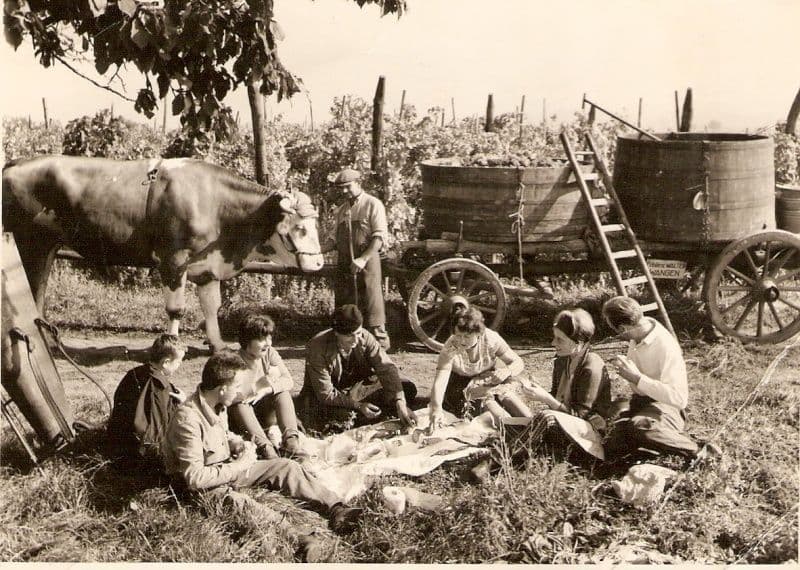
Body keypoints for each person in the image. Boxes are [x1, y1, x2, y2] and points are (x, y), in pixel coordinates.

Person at [163, 350, 362, 534]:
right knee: (241, 503)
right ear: (222, 389)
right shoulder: (187, 419)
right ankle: (300, 538)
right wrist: (239, 466)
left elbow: (222, 433)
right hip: (200, 489)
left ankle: (337, 508)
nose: (240, 392)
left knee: (286, 466)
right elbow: (195, 478)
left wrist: (237, 443)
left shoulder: (216, 403)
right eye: (238, 387)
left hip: (225, 469)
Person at [600, 296, 717, 464]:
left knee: (638, 427)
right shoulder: (638, 333)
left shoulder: (664, 345)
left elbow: (679, 399)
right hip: (642, 402)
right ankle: (652, 445)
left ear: (623, 328)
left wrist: (637, 378)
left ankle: (698, 450)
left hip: (667, 407)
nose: (617, 336)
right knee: (611, 433)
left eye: (616, 332)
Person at [297, 304, 418, 432]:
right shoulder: (317, 347)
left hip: (357, 389)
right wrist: (358, 406)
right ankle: (369, 413)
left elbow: (386, 369)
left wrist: (399, 400)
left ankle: (386, 409)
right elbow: (325, 393)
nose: (356, 340)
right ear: (337, 333)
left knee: (406, 387)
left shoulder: (365, 337)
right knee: (343, 418)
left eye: (358, 333)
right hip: (331, 398)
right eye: (350, 336)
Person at [519, 308, 612, 460]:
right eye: (554, 338)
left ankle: (497, 460)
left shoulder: (592, 366)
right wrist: (540, 392)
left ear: (579, 341)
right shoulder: (563, 360)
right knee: (508, 423)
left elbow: (581, 416)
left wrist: (545, 398)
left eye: (560, 339)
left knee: (545, 418)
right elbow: (559, 402)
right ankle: (525, 453)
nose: (553, 343)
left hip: (590, 433)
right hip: (566, 424)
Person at [322, 168, 391, 350]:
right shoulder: (342, 210)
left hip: (367, 264)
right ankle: (347, 347)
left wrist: (362, 259)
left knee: (371, 304)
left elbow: (378, 238)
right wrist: (316, 251)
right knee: (346, 308)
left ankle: (380, 348)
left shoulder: (372, 204)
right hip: (345, 265)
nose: (344, 191)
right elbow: (333, 240)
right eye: (341, 188)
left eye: (348, 187)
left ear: (358, 183)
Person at [428, 306, 525, 430]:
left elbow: (517, 361)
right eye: (458, 335)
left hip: (488, 378)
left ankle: (534, 422)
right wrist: (436, 408)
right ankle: (512, 428)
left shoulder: (491, 338)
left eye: (467, 336)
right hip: (461, 383)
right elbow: (440, 380)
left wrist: (507, 371)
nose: (462, 341)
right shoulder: (450, 347)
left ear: (478, 333)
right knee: (492, 408)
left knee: (508, 397)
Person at [227, 314, 305, 460]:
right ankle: (266, 449)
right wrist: (257, 387)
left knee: (282, 392)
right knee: (240, 404)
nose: (268, 343)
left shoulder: (269, 353)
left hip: (266, 413)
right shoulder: (232, 360)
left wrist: (267, 389)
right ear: (247, 340)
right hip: (242, 419)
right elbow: (228, 396)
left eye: (269, 338)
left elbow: (288, 381)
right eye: (262, 339)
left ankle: (291, 443)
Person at [106, 334, 187, 467]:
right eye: (179, 361)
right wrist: (183, 405)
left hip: (116, 444)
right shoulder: (160, 387)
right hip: (137, 457)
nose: (180, 365)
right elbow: (157, 432)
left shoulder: (134, 373)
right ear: (166, 362)